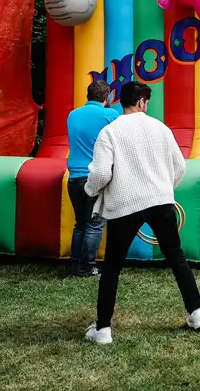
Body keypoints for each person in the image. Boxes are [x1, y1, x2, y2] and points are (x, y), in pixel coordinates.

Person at [82, 82, 200, 344]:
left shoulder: (110, 131)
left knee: (113, 267)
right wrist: (163, 190)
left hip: (124, 205)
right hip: (161, 201)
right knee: (176, 257)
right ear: (141, 102)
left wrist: (90, 190)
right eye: (146, 102)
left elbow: (102, 173)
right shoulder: (160, 128)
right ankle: (197, 313)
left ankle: (103, 329)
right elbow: (180, 166)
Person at [66, 81, 118, 278]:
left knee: (80, 224)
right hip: (96, 176)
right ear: (107, 98)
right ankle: (87, 267)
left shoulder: (73, 115)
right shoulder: (111, 115)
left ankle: (75, 265)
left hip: (74, 177)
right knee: (95, 224)